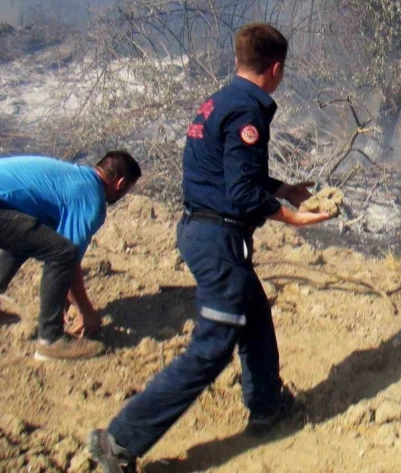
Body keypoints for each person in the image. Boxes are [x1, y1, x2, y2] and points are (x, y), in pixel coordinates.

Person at [88, 23, 331, 472]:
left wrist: (284, 189)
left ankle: (267, 406)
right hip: (220, 239)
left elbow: (223, 172)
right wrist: (292, 217)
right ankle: (119, 441)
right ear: (275, 68)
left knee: (254, 317)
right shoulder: (249, 112)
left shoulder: (217, 102)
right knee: (213, 345)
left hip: (202, 230)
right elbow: (240, 193)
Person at [0, 151, 141, 360]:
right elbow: (69, 257)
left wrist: (62, 301)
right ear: (120, 183)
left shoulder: (77, 178)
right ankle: (50, 340)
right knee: (61, 252)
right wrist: (86, 311)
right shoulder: (91, 198)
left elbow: (45, 246)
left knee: (28, 237)